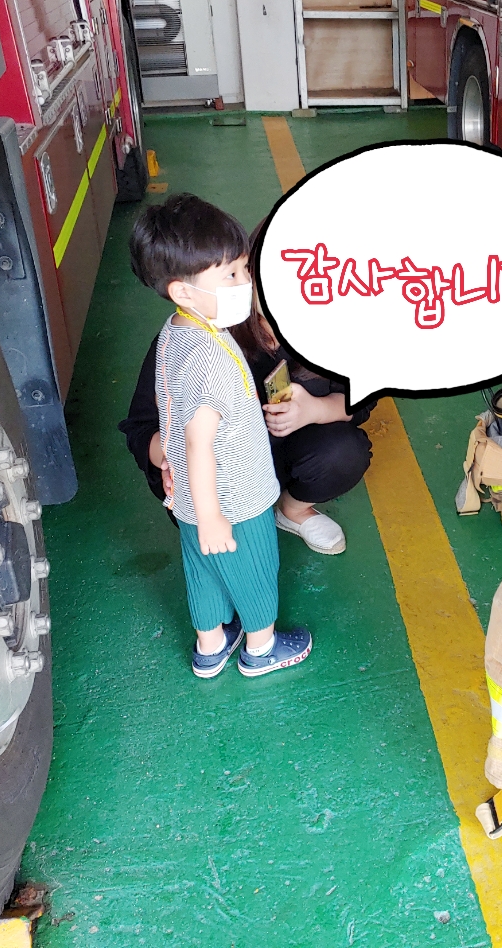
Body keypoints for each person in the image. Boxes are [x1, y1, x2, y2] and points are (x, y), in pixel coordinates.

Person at [129, 193, 311, 679]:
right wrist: (213, 515)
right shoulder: (209, 358)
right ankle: (261, 647)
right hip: (234, 498)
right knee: (254, 568)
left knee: (202, 570)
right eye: (230, 274)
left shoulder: (178, 330)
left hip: (187, 495)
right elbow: (198, 439)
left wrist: (197, 509)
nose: (244, 282)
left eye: (244, 269)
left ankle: (210, 646)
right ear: (183, 291)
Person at [120, 235, 373, 554]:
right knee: (230, 551)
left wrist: (314, 409)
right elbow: (140, 427)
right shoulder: (192, 339)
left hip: (280, 458)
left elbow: (360, 401)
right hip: (216, 475)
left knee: (344, 451)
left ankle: (292, 511)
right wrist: (175, 457)